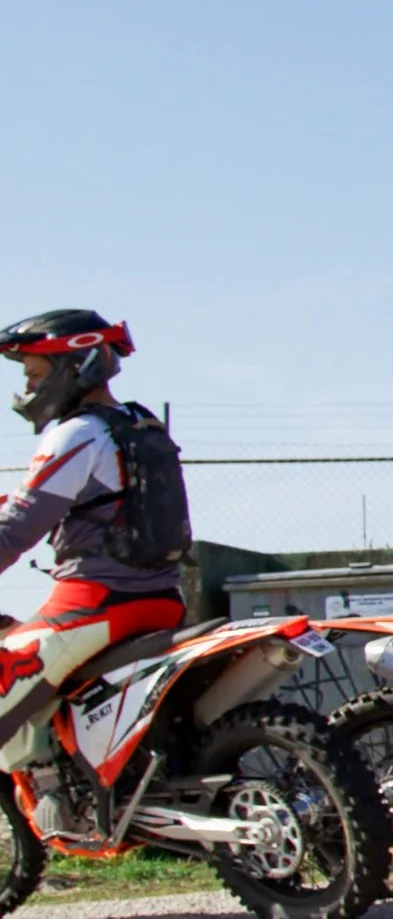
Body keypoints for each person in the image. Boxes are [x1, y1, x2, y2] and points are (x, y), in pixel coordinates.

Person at [0, 311, 189, 776]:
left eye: (35, 373)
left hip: (92, 607)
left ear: (76, 365)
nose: (27, 387)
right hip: (163, 600)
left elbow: (15, 531)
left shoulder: (76, 435)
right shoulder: (138, 426)